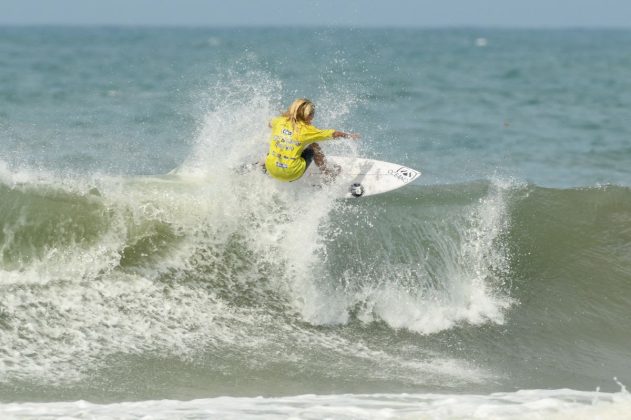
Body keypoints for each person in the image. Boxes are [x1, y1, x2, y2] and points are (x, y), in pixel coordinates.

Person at [264, 98, 359, 182]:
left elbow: (269, 124)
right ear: (308, 115)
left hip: (271, 169)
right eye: (312, 114)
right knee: (314, 146)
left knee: (276, 143)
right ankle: (327, 172)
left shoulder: (279, 121)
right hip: (291, 173)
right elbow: (335, 134)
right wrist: (350, 136)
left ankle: (263, 167)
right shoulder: (307, 130)